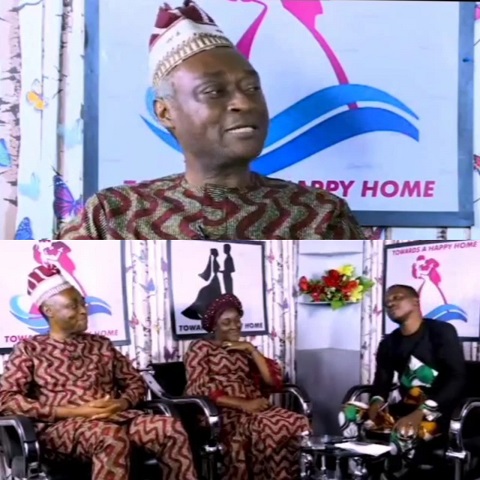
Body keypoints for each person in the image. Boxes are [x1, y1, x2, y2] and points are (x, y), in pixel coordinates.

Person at [57, 0, 365, 240]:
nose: (243, 103)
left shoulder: (319, 215)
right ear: (165, 112)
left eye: (252, 88)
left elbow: (364, 300)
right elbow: (53, 291)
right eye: (214, 91)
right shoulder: (114, 216)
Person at [0, 264, 198, 480]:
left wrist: (121, 403)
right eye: (73, 305)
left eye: (82, 303)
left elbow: (136, 383)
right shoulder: (30, 349)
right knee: (110, 437)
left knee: (170, 429)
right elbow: (6, 399)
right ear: (49, 311)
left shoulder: (101, 345)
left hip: (116, 418)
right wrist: (73, 411)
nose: (84, 310)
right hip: (60, 429)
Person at [339, 284, 465, 478]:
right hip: (407, 409)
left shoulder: (441, 332)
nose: (390, 303)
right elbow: (382, 381)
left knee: (405, 430)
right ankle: (360, 469)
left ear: (415, 301)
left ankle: (398, 473)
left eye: (397, 297)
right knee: (348, 412)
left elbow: (457, 378)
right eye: (386, 302)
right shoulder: (389, 343)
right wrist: (376, 402)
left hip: (443, 412)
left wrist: (421, 412)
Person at [184, 293, 311, 480]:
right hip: (222, 412)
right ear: (213, 325)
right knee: (267, 426)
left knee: (297, 421)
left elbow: (272, 382)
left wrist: (251, 350)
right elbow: (199, 388)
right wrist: (244, 404)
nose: (234, 326)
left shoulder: (241, 348)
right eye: (226, 322)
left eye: (237, 320)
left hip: (256, 408)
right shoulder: (200, 348)